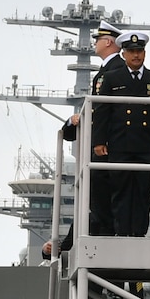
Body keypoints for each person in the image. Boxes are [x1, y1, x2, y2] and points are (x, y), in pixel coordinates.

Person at [92, 32, 150, 237]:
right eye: (131, 52)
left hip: (145, 145)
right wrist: (99, 141)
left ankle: (138, 234)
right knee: (120, 192)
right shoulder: (112, 79)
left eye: (139, 51)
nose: (136, 56)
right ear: (124, 53)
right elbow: (102, 111)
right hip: (120, 144)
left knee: (143, 192)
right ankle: (122, 233)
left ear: (144, 53)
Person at [57, 19, 125, 242]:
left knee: (103, 200)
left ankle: (105, 237)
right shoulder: (108, 70)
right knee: (97, 199)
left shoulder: (116, 70)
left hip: (107, 148)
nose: (95, 43)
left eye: (98, 39)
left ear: (108, 42)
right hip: (100, 146)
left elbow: (109, 109)